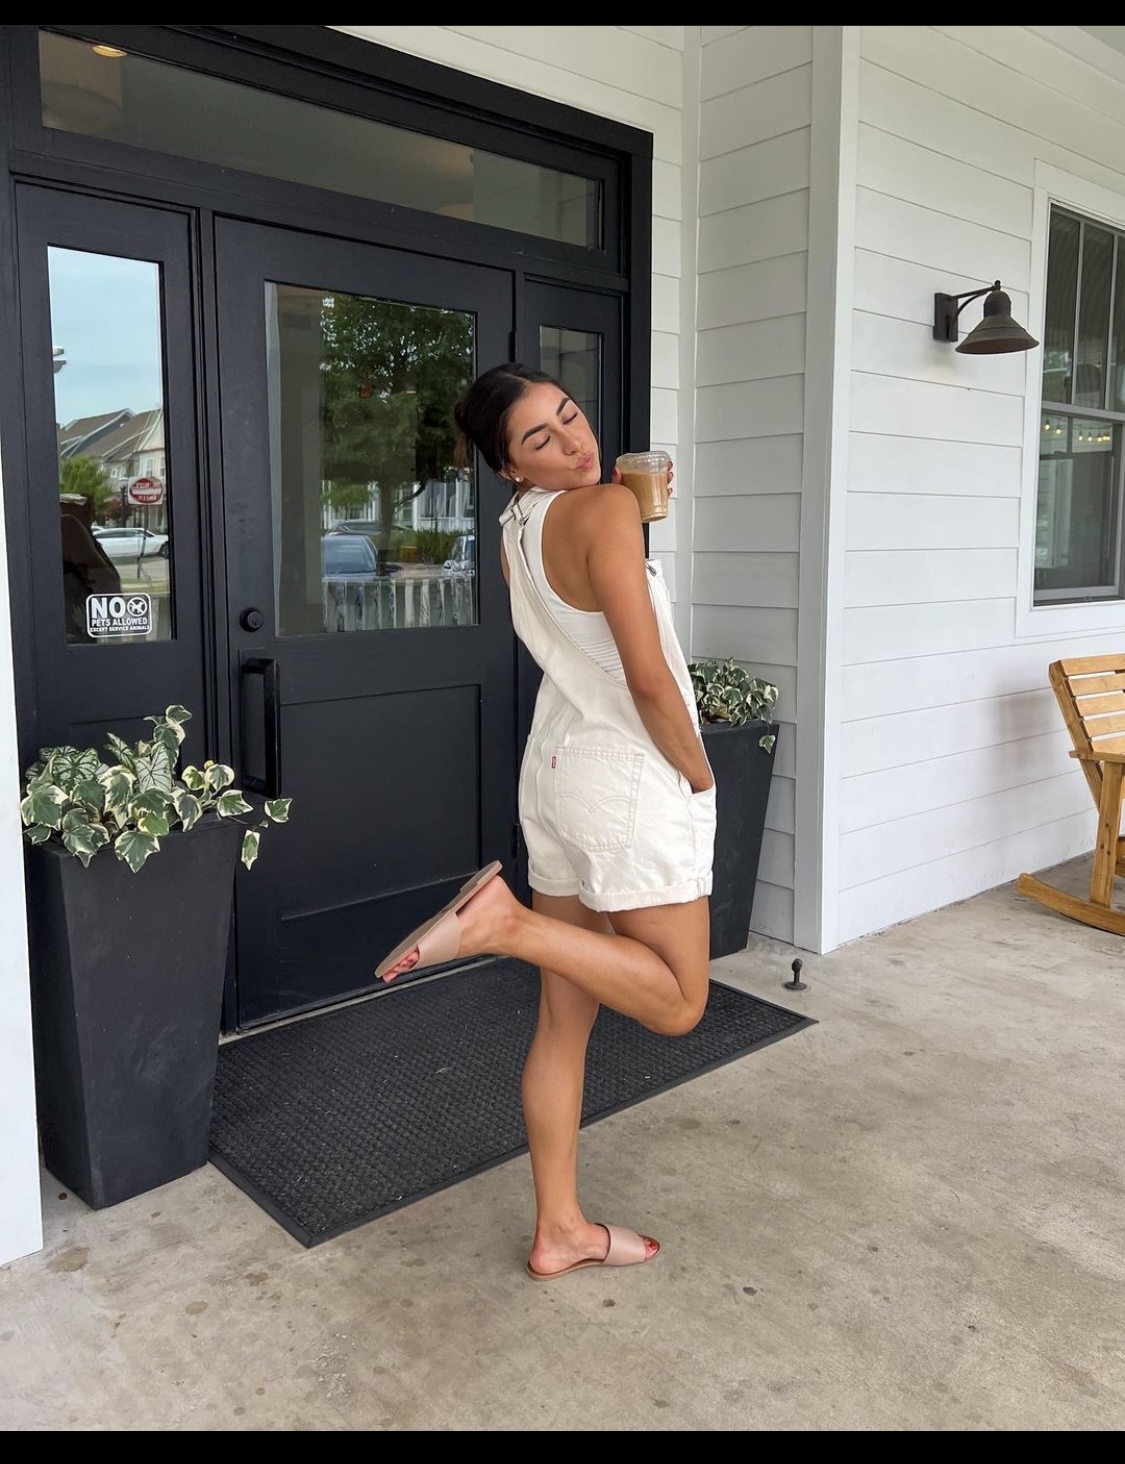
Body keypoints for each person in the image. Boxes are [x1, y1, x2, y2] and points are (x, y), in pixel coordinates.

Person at [376, 363, 716, 1281]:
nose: (574, 442)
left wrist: (630, 530)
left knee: (564, 1024)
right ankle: (504, 925)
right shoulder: (602, 510)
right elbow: (648, 679)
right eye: (540, 439)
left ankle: (559, 1228)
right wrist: (697, 774)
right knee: (679, 1003)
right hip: (626, 778)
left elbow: (586, 633)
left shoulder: (516, 530)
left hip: (560, 773)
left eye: (570, 416)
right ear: (509, 467)